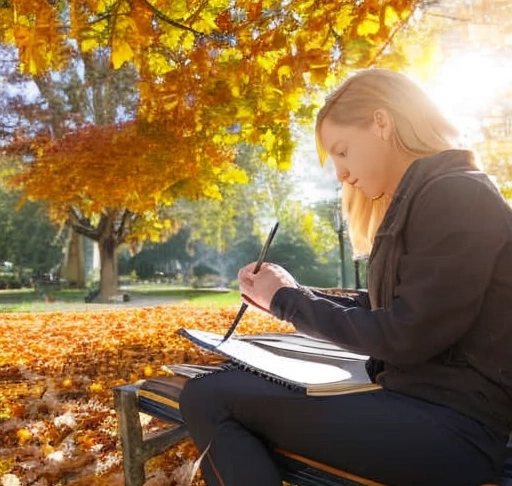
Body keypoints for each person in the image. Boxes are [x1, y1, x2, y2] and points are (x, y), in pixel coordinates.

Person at [179, 68, 512, 486]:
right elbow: (389, 309)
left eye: (342, 151)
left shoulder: (456, 195)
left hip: (453, 429)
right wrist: (289, 293)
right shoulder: (430, 196)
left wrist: (287, 301)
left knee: (211, 398)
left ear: (381, 123)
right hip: (422, 409)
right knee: (225, 388)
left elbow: (405, 334)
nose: (340, 173)